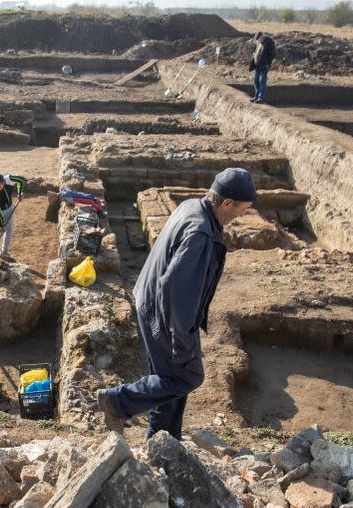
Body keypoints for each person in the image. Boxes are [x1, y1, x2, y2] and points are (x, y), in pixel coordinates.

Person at [96, 168, 257, 439]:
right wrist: (180, 340)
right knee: (187, 377)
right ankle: (117, 401)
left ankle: (164, 441)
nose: (243, 215)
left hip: (149, 301)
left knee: (169, 382)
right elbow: (177, 291)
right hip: (164, 313)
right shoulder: (200, 234)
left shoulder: (192, 206)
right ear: (227, 203)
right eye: (243, 209)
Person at [0, 174, 26, 264]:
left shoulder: (9, 179)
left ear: (3, 182)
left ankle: (4, 252)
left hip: (8, 209)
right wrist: (1, 224)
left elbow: (20, 180)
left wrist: (20, 193)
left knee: (9, 230)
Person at [249, 32, 275, 104]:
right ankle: (256, 96)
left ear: (262, 37)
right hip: (257, 65)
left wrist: (267, 63)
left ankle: (260, 98)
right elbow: (257, 52)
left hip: (264, 66)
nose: (258, 41)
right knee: (256, 81)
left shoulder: (270, 42)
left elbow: (272, 54)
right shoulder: (260, 43)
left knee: (262, 81)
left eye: (259, 39)